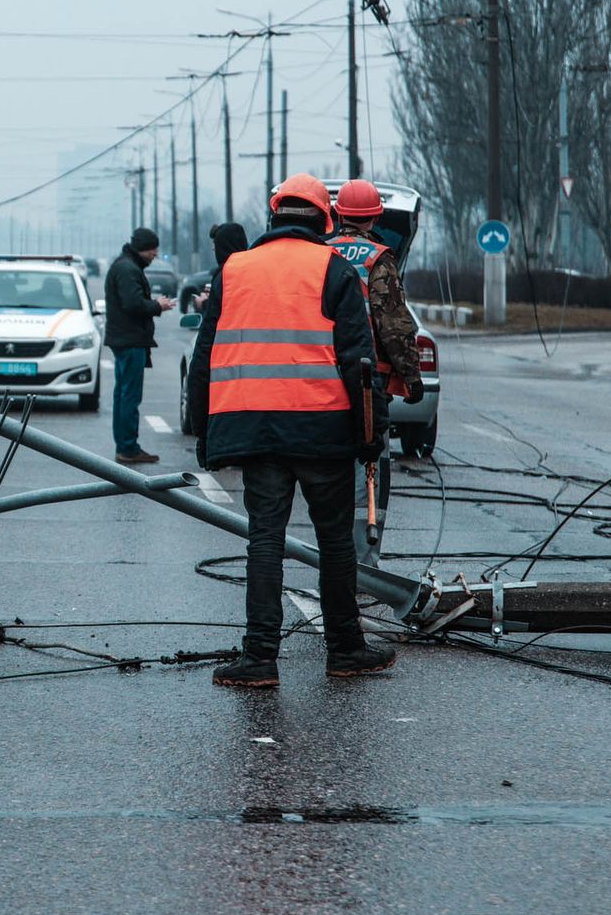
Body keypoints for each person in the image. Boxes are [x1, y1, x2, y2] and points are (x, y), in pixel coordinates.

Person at [185, 174, 395, 686]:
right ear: (325, 220)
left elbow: (205, 356)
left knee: (265, 541)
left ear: (274, 216)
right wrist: (372, 435)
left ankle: (259, 659)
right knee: (336, 545)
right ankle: (346, 650)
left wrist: (204, 435)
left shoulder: (234, 270)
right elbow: (359, 362)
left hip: (255, 430)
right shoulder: (334, 269)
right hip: (323, 431)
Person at [325, 180, 424, 403]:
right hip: (369, 372)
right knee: (371, 434)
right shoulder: (379, 258)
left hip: (324, 368)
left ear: (339, 216)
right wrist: (412, 376)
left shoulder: (321, 254)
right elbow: (393, 323)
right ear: (376, 218)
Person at [103, 227, 175, 464]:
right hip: (129, 339)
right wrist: (157, 305)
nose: (155, 254)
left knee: (124, 394)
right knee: (129, 396)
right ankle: (128, 447)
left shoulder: (126, 266)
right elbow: (133, 303)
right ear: (142, 248)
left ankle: (125, 445)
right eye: (153, 249)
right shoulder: (127, 269)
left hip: (126, 339)